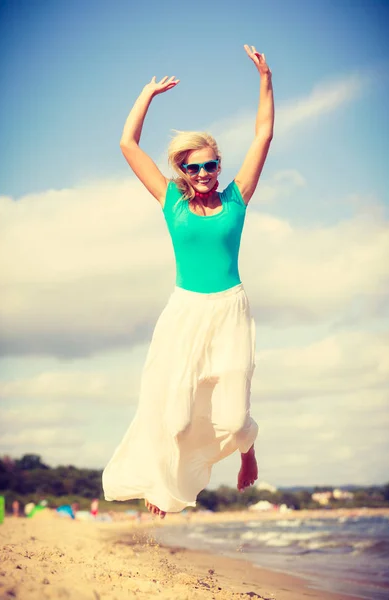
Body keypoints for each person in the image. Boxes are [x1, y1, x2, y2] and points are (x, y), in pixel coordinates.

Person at [102, 45, 274, 519]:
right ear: (182, 170)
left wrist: (265, 79)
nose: (201, 173)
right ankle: (162, 485)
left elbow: (263, 135)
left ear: (219, 167)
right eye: (192, 167)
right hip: (185, 313)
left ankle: (248, 446)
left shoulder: (237, 200)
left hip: (230, 311)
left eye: (209, 165)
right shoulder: (171, 203)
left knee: (234, 420)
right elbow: (127, 145)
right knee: (175, 420)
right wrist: (147, 95)